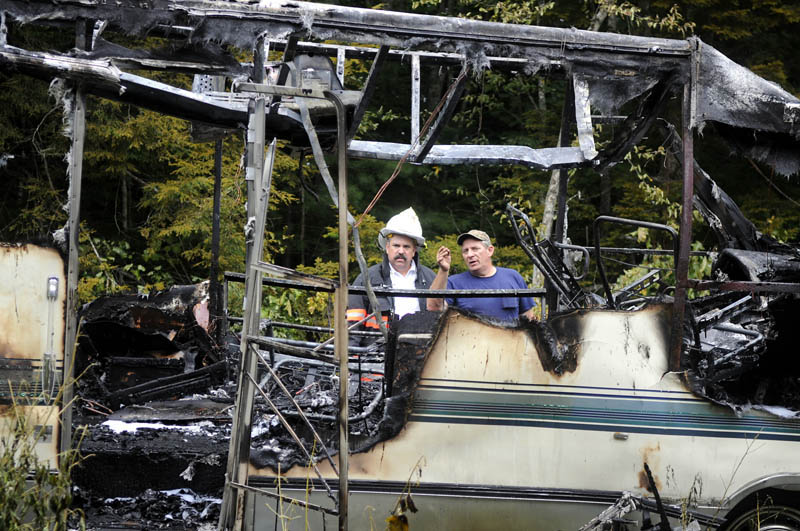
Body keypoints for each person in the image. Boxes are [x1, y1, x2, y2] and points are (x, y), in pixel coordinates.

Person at [346, 207, 437, 346]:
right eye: (396, 245)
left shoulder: (431, 279)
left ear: (414, 251)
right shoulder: (368, 278)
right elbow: (352, 325)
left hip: (419, 356)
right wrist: (352, 359)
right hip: (376, 357)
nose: (401, 251)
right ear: (387, 247)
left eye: (406, 247)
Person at [428, 229, 536, 322]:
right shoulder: (454, 283)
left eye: (475, 249)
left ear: (490, 250)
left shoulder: (513, 277)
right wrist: (443, 270)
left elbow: (528, 318)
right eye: (465, 251)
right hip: (471, 344)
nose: (470, 255)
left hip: (510, 343)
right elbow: (433, 307)